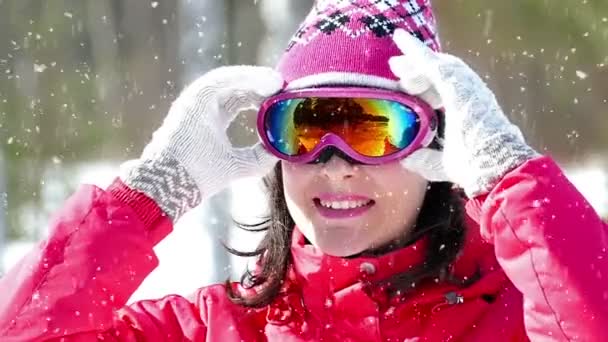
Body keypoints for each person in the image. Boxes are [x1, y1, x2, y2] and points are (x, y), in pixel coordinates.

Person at [1, 0, 607, 341]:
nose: (335, 164)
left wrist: (511, 177)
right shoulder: (215, 329)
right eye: (306, 128)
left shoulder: (524, 314)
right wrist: (146, 198)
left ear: (438, 149)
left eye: (372, 126)